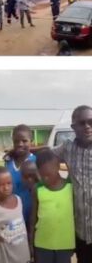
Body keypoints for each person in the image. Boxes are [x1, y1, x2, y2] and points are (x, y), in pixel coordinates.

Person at [51, 105, 92, 263]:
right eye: (82, 123)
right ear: (73, 127)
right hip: (80, 230)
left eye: (91, 121)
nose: (87, 126)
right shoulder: (67, 148)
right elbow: (47, 152)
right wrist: (24, 151)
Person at [29, 149, 75, 263]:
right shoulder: (37, 189)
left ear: (58, 167)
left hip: (65, 243)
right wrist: (30, 242)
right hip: (42, 244)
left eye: (48, 175)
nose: (45, 178)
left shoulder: (70, 185)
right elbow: (33, 218)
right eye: (41, 175)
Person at [4, 124, 36, 229]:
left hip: (31, 215)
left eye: (24, 141)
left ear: (31, 140)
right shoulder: (8, 161)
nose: (20, 144)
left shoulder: (36, 161)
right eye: (16, 141)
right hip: (12, 216)